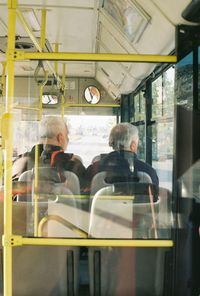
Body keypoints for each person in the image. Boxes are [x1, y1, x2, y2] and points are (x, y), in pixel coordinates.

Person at [12, 116, 86, 189]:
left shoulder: (20, 162)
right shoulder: (73, 165)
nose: (68, 139)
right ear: (60, 138)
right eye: (67, 135)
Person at [85, 122, 159, 189]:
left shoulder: (94, 169)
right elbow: (154, 199)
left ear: (112, 142)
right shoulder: (148, 172)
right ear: (133, 145)